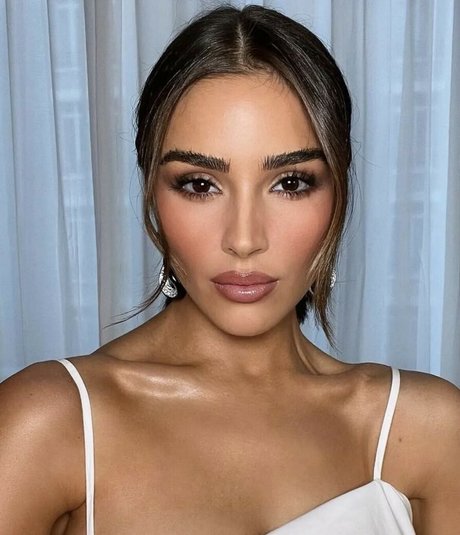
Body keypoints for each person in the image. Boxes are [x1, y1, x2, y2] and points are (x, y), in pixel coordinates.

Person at [1, 5, 459, 534]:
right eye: (200, 184)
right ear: (152, 191)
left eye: (290, 183)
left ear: (338, 190)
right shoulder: (49, 423)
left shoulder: (424, 430)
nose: (243, 239)